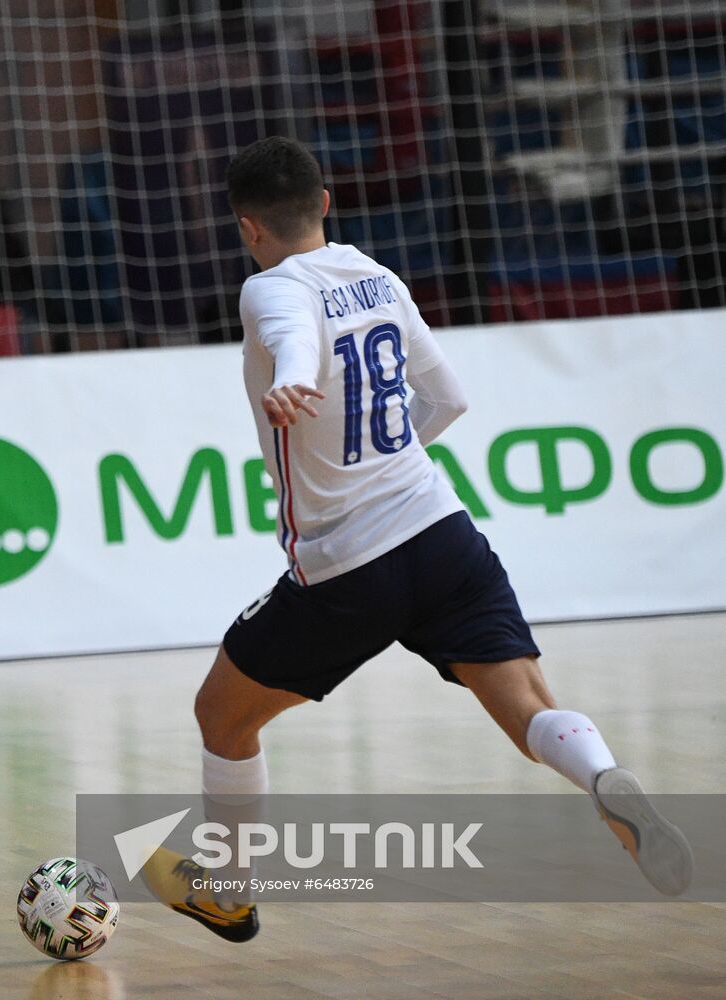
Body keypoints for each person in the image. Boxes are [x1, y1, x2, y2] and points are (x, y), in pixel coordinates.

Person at [142, 136, 693, 941]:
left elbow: (287, 324)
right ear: (325, 203)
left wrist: (296, 375)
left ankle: (227, 889)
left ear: (245, 226)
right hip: (441, 533)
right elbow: (450, 400)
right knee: (530, 707)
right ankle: (603, 775)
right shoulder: (378, 275)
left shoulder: (267, 287)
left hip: (345, 566)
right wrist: (388, 456)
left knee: (222, 716)